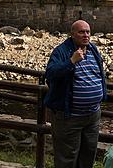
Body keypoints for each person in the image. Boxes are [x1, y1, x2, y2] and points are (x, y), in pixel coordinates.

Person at [44, 20, 106, 168]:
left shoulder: (93, 50)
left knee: (88, 155)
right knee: (67, 159)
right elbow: (51, 74)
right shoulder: (62, 51)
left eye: (88, 32)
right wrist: (71, 61)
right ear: (72, 34)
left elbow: (99, 74)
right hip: (69, 116)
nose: (86, 35)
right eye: (81, 32)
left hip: (92, 116)